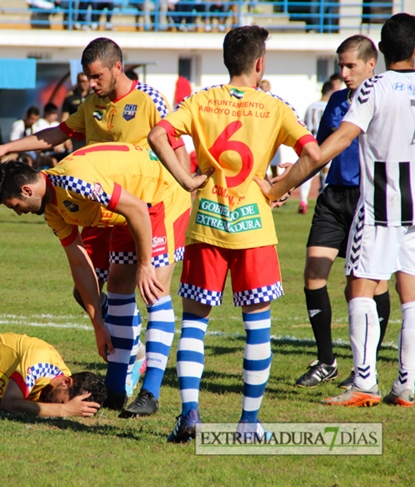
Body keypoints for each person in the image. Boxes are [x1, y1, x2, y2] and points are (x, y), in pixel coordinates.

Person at [0, 38, 191, 418]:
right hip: (104, 205)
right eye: (86, 78)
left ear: (117, 68)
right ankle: (119, 370)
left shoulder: (149, 100)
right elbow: (56, 133)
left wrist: (187, 183)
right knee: (94, 292)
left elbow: (172, 145)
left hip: (152, 199)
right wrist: (8, 147)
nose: (90, 85)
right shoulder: (89, 109)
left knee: (151, 285)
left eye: (96, 77)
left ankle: (149, 388)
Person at [148, 25, 320, 442]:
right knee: (257, 325)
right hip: (255, 231)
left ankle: (190, 414)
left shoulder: (202, 100)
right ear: (260, 63)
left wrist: (188, 181)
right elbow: (313, 154)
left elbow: (157, 135)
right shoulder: (274, 106)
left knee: (195, 324)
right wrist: (277, 189)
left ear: (228, 60)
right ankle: (248, 422)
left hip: (206, 225)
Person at [260, 13, 415, 408]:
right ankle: (406, 385)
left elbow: (331, 146)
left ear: (380, 52)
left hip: (380, 204)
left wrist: (280, 186)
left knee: (360, 288)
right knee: (410, 295)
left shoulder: (373, 89)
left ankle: (364, 382)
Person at [0, 143, 192, 419]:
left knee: (152, 288)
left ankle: (151, 392)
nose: (19, 212)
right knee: (119, 286)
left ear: (26, 190)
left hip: (159, 198)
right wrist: (98, 323)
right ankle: (116, 388)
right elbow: (79, 262)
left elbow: (137, 208)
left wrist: (145, 264)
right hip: (127, 213)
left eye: (15, 206)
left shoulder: (73, 180)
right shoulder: (52, 208)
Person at [293, 35, 391, 390]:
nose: (345, 73)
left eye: (351, 65)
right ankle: (326, 360)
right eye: (341, 66)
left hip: (370, 199)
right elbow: (317, 152)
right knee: (313, 274)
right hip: (334, 200)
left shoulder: (385, 98)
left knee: (368, 286)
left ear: (371, 63)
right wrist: (287, 185)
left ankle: (366, 366)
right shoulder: (336, 101)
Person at [301, 79, 335, 206]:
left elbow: (304, 125)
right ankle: (325, 197)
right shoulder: (330, 106)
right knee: (326, 170)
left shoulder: (311, 107)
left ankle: (303, 200)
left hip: (310, 141)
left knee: (307, 171)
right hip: (325, 141)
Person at [61, 72, 90, 152]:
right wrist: (66, 138)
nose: (85, 84)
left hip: (90, 132)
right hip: (75, 133)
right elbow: (64, 119)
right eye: (82, 81)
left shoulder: (93, 96)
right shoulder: (70, 98)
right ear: (78, 82)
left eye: (87, 81)